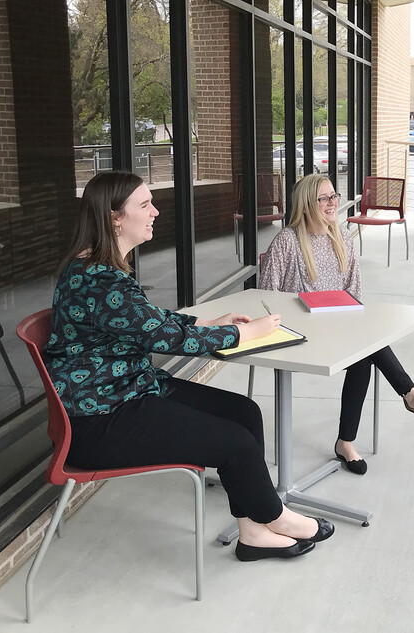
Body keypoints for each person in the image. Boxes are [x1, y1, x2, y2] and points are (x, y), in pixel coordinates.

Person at [45, 171, 333, 561]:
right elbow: (168, 341)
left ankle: (252, 531)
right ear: (114, 217)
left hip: (131, 390)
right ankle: (276, 517)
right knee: (236, 443)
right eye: (144, 205)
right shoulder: (101, 282)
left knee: (244, 412)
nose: (156, 212)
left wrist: (208, 323)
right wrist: (244, 335)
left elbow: (148, 321)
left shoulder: (102, 272)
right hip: (100, 419)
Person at [259, 174, 414, 475]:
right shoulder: (287, 242)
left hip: (339, 331)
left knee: (365, 353)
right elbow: (265, 298)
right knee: (367, 350)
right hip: (298, 339)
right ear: (307, 204)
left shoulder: (343, 238)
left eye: (333, 196)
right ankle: (409, 393)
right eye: (324, 198)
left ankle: (346, 443)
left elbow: (355, 295)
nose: (332, 203)